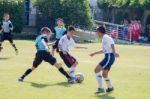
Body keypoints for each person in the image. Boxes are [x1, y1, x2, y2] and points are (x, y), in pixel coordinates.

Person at [90, 26, 119, 94]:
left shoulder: (106, 37)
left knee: (96, 70)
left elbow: (112, 44)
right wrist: (94, 53)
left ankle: (100, 88)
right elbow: (103, 50)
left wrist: (114, 53)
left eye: (97, 32)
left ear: (100, 32)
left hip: (109, 56)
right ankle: (110, 87)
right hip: (108, 56)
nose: (96, 34)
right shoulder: (104, 38)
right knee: (104, 74)